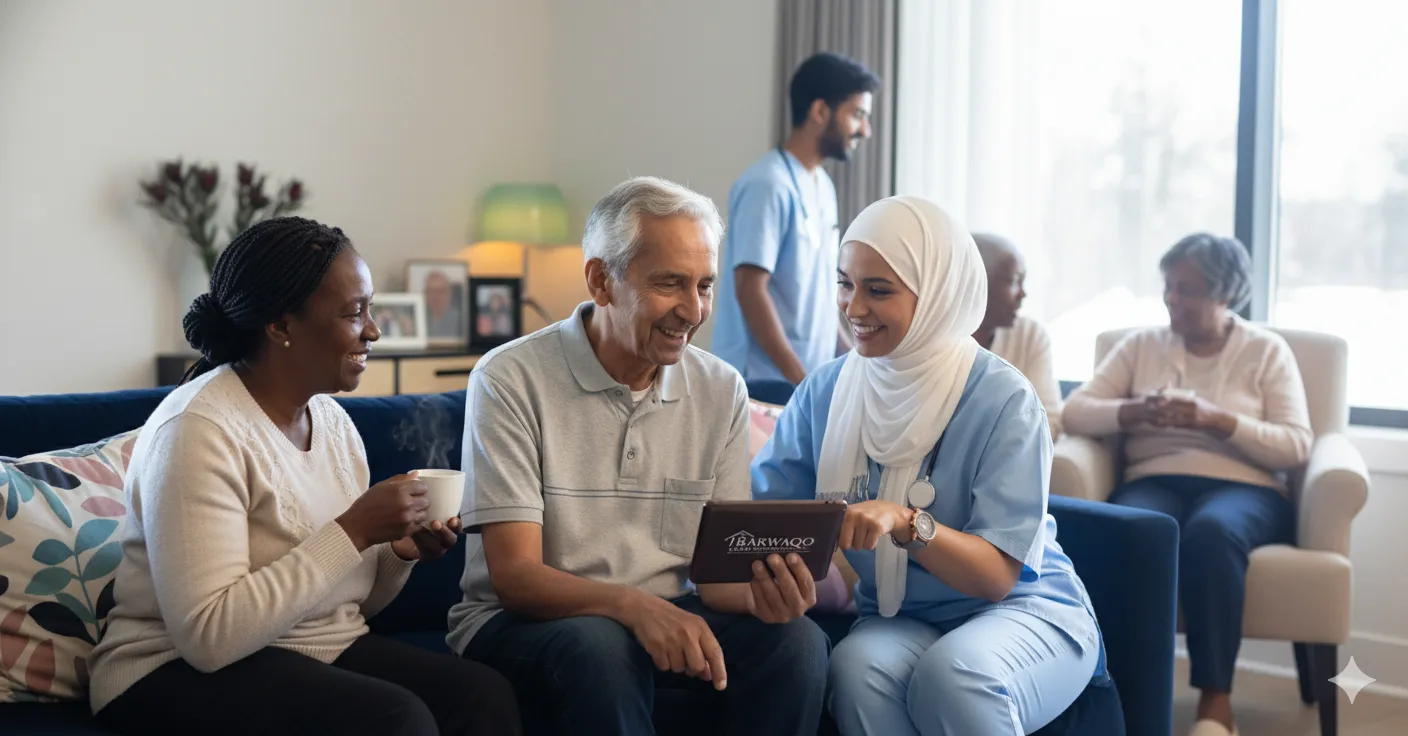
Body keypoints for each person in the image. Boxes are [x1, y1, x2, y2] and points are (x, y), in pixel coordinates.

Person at [88, 218, 520, 736]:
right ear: (281, 326)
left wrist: (397, 551)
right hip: (166, 669)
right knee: (396, 720)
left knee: (482, 695)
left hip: (306, 647)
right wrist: (355, 529)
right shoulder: (198, 431)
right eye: (353, 312)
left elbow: (346, 601)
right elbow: (208, 637)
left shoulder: (333, 423)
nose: (373, 330)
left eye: (371, 308)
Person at [449, 177, 830, 736]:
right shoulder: (509, 378)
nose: (693, 309)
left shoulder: (722, 389)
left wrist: (766, 597)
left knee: (797, 642)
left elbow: (718, 579)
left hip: (667, 609)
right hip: (521, 622)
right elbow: (516, 578)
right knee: (600, 644)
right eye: (670, 284)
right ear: (601, 280)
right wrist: (634, 608)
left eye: (704, 285)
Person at [753, 196, 1106, 736]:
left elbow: (995, 577)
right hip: (901, 617)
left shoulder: (1003, 398)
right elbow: (766, 521)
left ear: (938, 293)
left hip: (1024, 610)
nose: (852, 307)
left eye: (878, 290)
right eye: (845, 283)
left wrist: (904, 521)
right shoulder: (824, 392)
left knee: (957, 674)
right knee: (854, 669)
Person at [1063, 232, 1312, 736]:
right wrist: (1139, 410)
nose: (1172, 300)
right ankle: (1116, 688)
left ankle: (1216, 701)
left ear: (1226, 294)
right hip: (1156, 478)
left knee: (1212, 532)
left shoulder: (1266, 351)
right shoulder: (1141, 345)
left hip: (1245, 487)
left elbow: (1296, 445)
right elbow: (1076, 411)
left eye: (1187, 290)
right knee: (1137, 530)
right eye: (1169, 287)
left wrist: (1220, 420)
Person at [713, 52, 881, 384]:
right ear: (820, 111)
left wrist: (858, 366)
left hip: (801, 381)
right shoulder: (767, 183)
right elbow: (750, 289)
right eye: (857, 114)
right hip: (761, 383)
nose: (866, 130)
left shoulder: (823, 188)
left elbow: (818, 302)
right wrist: (799, 380)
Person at [971, 232, 1064, 439]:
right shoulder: (932, 335)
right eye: (1014, 282)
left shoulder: (1029, 335)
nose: (1023, 294)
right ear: (978, 282)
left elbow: (1049, 421)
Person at [423, 269, 465, 341]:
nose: (435, 296)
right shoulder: (419, 319)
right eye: (430, 291)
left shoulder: (461, 321)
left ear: (449, 293)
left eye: (440, 291)